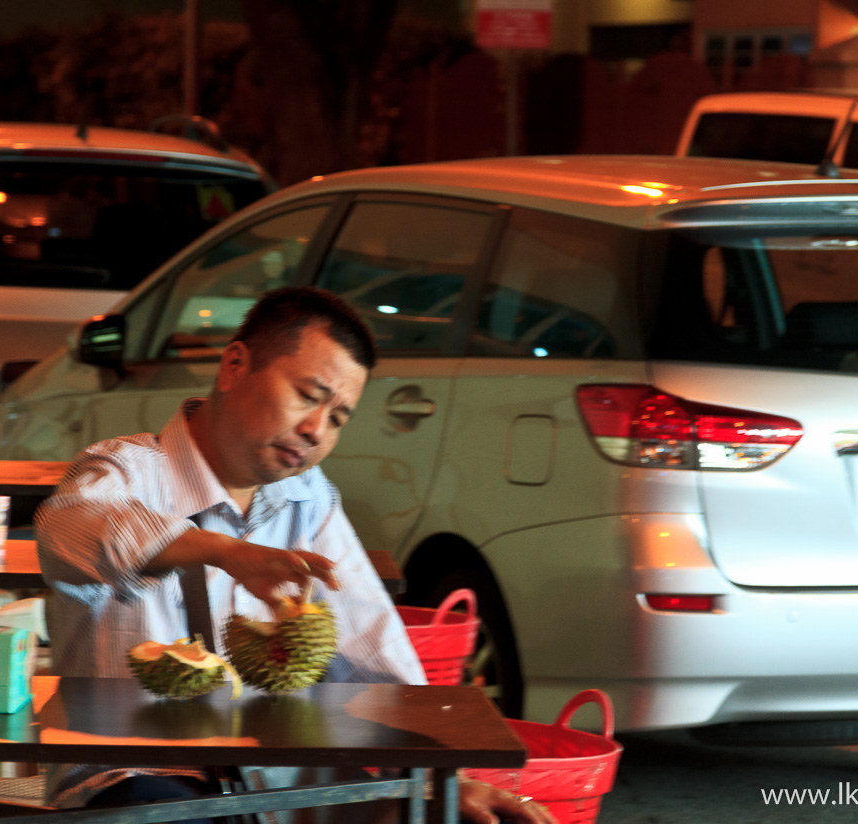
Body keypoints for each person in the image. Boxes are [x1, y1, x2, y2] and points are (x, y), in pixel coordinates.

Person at [35, 286, 554, 824]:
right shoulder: (125, 471)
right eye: (308, 395)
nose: (315, 431)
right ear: (235, 365)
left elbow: (369, 646)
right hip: (137, 779)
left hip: (277, 783)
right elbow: (66, 526)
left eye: (337, 418)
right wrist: (226, 553)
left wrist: (447, 778)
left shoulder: (308, 498)